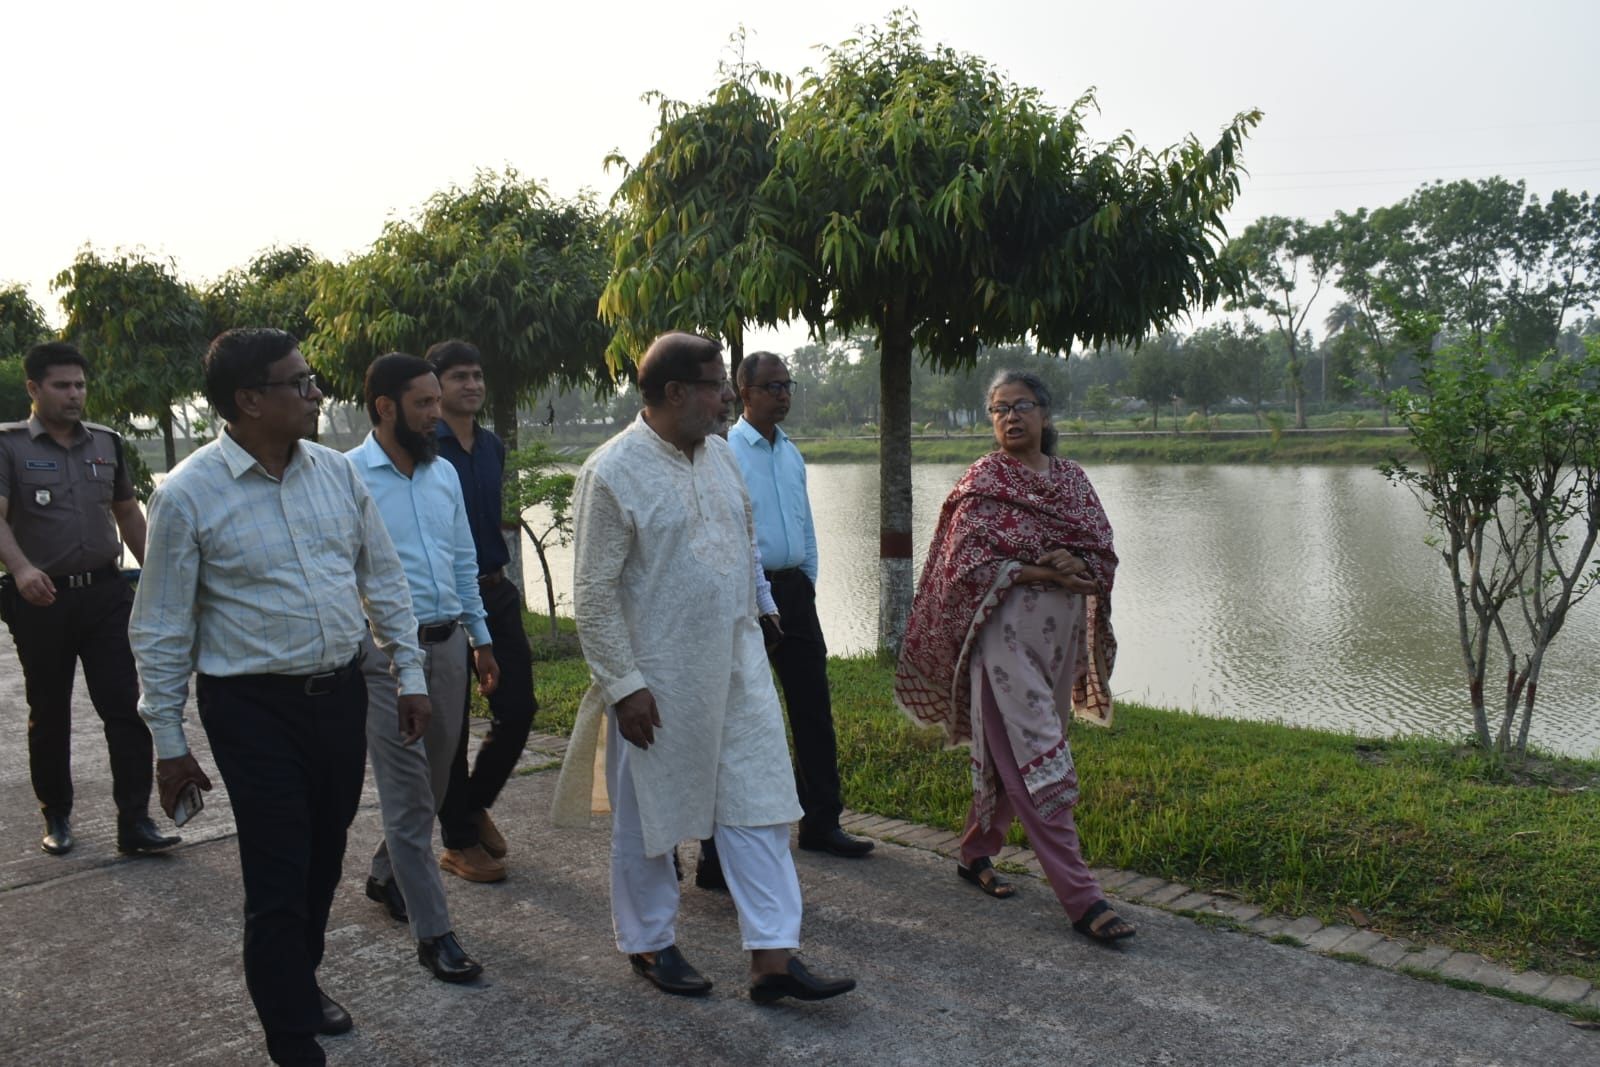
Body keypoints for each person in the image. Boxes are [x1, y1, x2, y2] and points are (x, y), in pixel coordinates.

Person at [129, 328, 432, 1067]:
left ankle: (299, 981)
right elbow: (162, 625)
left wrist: (409, 672)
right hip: (249, 708)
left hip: (336, 699)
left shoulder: (335, 473)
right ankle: (293, 1037)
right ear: (248, 400)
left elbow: (382, 577)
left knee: (324, 861)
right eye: (299, 381)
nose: (315, 391)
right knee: (277, 873)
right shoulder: (188, 493)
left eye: (313, 378)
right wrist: (168, 741)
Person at [554, 331, 855, 1004]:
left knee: (762, 805)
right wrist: (624, 685)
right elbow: (595, 594)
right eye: (716, 384)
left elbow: (743, 539)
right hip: (655, 683)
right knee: (650, 821)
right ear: (673, 393)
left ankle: (773, 960)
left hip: (739, 664)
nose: (727, 397)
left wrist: (764, 603)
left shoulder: (720, 456)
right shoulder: (613, 471)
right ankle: (650, 941)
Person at [894, 370, 1135, 943]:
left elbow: (1102, 554)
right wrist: (1041, 568)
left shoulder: (1073, 481)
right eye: (998, 409)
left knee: (1015, 750)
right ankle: (1082, 897)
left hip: (1058, 643)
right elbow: (965, 567)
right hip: (1002, 643)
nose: (1010, 417)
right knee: (1039, 756)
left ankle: (975, 851)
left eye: (1021, 406)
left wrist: (1077, 566)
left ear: (1046, 415)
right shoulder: (983, 480)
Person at [348, 354, 498, 982]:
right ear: (385, 407)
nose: (438, 415)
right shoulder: (348, 476)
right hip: (385, 655)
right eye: (424, 404)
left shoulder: (441, 476)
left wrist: (480, 639)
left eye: (439, 402)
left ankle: (386, 873)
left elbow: (463, 560)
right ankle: (434, 933)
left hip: (447, 648)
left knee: (436, 785)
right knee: (410, 796)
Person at [0, 341, 176, 857]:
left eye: (79, 384)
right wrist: (22, 568)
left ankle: (135, 821)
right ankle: (56, 814)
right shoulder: (8, 446)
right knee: (49, 711)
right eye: (61, 385)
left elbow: (127, 514)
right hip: (40, 599)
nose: (74, 394)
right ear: (34, 389)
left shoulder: (106, 442)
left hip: (105, 593)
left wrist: (161, 577)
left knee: (125, 706)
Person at [714, 351, 872, 874]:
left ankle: (822, 823)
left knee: (813, 708)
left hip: (794, 594)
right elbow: (735, 532)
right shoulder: (727, 451)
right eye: (772, 385)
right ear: (745, 393)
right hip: (745, 598)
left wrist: (807, 580)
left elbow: (803, 524)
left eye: (788, 384)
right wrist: (759, 598)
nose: (783, 393)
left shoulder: (791, 453)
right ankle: (723, 846)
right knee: (741, 720)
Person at [426, 340, 537, 884]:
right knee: (450, 727)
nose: (472, 385)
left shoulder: (490, 445)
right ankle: (458, 842)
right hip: (442, 599)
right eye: (459, 377)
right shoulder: (425, 448)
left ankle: (470, 804)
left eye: (477, 375)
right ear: (436, 386)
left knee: (518, 709)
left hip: (493, 591)